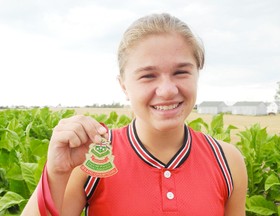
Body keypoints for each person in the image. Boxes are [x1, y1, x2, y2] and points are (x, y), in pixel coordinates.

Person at [22, 13, 247, 216]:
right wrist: (57, 172)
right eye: (148, 76)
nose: (168, 90)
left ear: (197, 74)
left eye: (181, 72)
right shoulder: (92, 158)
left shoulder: (227, 161)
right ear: (123, 85)